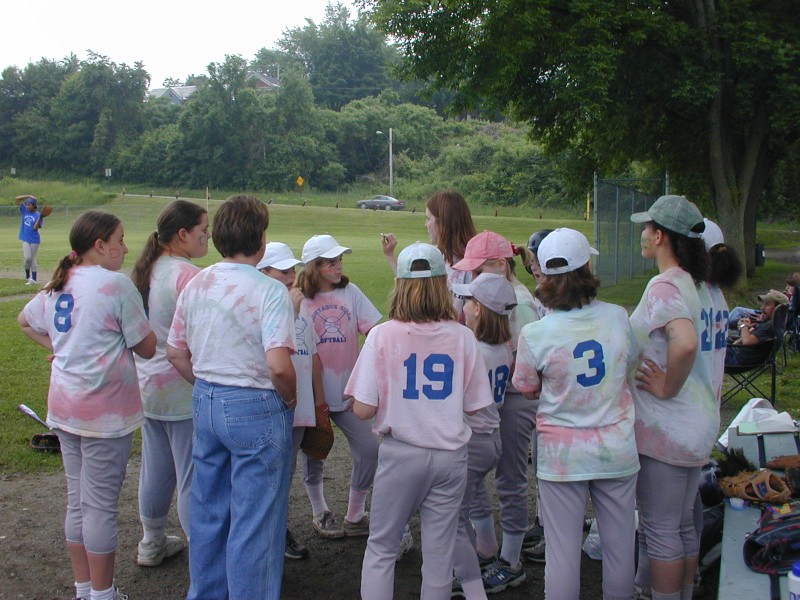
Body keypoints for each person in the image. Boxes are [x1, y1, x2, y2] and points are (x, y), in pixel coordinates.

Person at [17, 210, 157, 600]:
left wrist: (61, 350)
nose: (125, 248)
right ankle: (102, 593)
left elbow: (25, 322)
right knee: (98, 508)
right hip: (104, 414)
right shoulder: (115, 285)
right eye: (120, 240)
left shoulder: (59, 283)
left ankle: (85, 589)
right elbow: (146, 349)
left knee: (77, 502)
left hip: (64, 407)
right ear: (100, 245)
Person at [346, 242, 494, 600]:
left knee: (382, 547)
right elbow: (477, 406)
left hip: (402, 453)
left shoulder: (382, 334)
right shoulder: (463, 336)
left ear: (400, 284)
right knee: (440, 556)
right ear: (443, 284)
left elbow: (363, 409)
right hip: (450, 455)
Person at [166, 195, 297, 600]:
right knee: (256, 520)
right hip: (256, 403)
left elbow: (175, 351)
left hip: (206, 399)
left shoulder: (197, 282)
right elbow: (278, 365)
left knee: (209, 512)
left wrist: (207, 385)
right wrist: (290, 400)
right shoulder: (270, 290)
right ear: (260, 239)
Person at [512, 227, 640, 600]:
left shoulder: (537, 333)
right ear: (587, 268)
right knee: (619, 553)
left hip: (562, 456)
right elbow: (627, 365)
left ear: (545, 275)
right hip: (615, 448)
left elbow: (525, 386)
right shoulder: (617, 316)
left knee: (562, 556)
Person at [629, 195, 718, 600]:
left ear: (660, 235)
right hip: (694, 426)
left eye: (647, 228)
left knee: (660, 529)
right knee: (681, 525)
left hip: (669, 429)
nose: (643, 235)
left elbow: (683, 344)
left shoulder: (664, 285)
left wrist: (666, 386)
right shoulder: (688, 280)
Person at [451, 231, 540, 588]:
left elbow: (533, 359)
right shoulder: (488, 298)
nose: (472, 276)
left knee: (510, 477)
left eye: (480, 268)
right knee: (479, 475)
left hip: (513, 397)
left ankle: (511, 559)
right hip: (494, 395)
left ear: (502, 265)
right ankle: (488, 548)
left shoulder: (519, 301)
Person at [130, 200, 209, 568]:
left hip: (149, 388)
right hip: (182, 388)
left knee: (157, 467)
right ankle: (204, 557)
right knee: (194, 474)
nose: (207, 237)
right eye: (203, 231)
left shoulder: (148, 270)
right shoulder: (187, 275)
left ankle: (152, 541)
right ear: (182, 235)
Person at [295, 234, 382, 539]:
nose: (338, 265)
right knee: (315, 453)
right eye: (330, 262)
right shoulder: (300, 299)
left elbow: (373, 331)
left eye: (339, 260)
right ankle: (320, 511)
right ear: (314, 267)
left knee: (370, 449)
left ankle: (355, 514)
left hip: (348, 392)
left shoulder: (351, 292)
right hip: (311, 393)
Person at [257, 241, 329, 561]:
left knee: (284, 476)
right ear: (263, 273)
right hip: (273, 407)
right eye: (283, 271)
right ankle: (268, 538)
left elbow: (312, 357)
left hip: (298, 407)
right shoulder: (267, 306)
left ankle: (277, 531)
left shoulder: (301, 310)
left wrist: (319, 402)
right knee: (269, 477)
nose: (291, 276)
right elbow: (270, 358)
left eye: (293, 270)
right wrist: (290, 309)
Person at [450, 272, 517, 599]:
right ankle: (487, 548)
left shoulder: (472, 349)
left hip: (473, 439)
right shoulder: (502, 346)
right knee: (476, 495)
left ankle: (465, 574)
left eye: (469, 300)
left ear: (480, 310)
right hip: (492, 438)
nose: (463, 304)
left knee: (455, 511)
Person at [381, 190, 477, 315]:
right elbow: (411, 280)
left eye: (428, 219)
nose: (425, 224)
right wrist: (390, 255)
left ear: (444, 222)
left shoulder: (473, 264)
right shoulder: (436, 256)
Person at [725, 289, 788, 367]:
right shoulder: (776, 324)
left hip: (737, 358)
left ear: (777, 308)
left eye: (767, 304)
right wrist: (760, 323)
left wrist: (744, 325)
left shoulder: (769, 327)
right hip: (742, 355)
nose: (762, 307)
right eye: (763, 304)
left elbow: (747, 341)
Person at [16, 194, 45, 284]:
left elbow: (35, 228)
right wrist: (29, 195)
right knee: (27, 258)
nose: (27, 206)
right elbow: (17, 199)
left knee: (32, 258)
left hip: (35, 239)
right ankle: (28, 276)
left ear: (34, 206)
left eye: (29, 204)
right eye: (27, 204)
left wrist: (41, 218)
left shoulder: (38, 215)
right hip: (25, 238)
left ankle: (34, 280)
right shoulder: (25, 211)